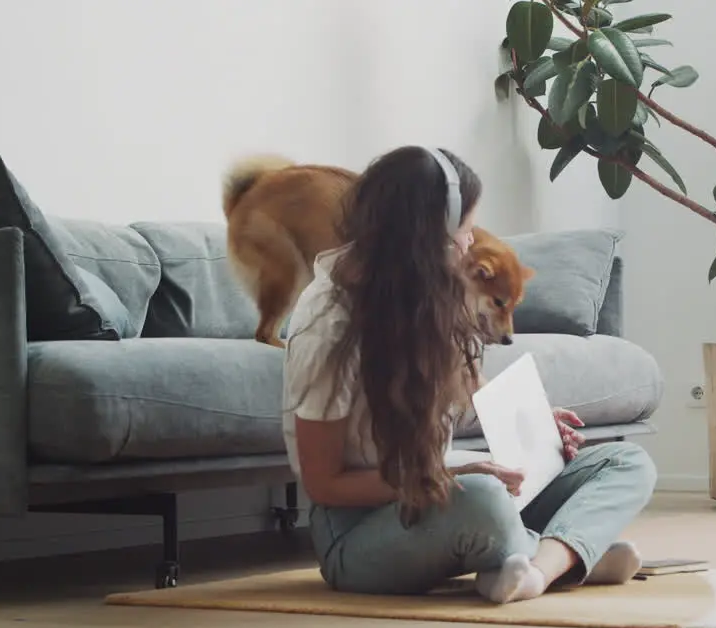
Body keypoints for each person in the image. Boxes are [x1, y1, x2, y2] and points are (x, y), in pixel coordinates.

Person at [281, 145, 657, 604]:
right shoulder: (328, 324)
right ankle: (568, 555)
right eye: (463, 230)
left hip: (436, 488)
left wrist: (536, 432)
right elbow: (324, 484)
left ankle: (536, 568)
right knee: (482, 498)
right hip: (360, 532)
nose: (470, 242)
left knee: (625, 463)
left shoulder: (429, 298)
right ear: (427, 238)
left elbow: (447, 417)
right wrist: (443, 479)